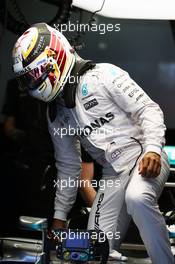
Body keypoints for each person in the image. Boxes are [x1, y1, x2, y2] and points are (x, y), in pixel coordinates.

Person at [11, 22, 174, 263]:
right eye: (28, 79)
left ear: (53, 59)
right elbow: (68, 167)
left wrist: (152, 149)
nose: (33, 83)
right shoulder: (56, 114)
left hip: (145, 158)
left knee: (137, 197)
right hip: (112, 174)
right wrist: (59, 217)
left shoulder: (103, 76)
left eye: (35, 73)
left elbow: (149, 110)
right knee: (92, 249)